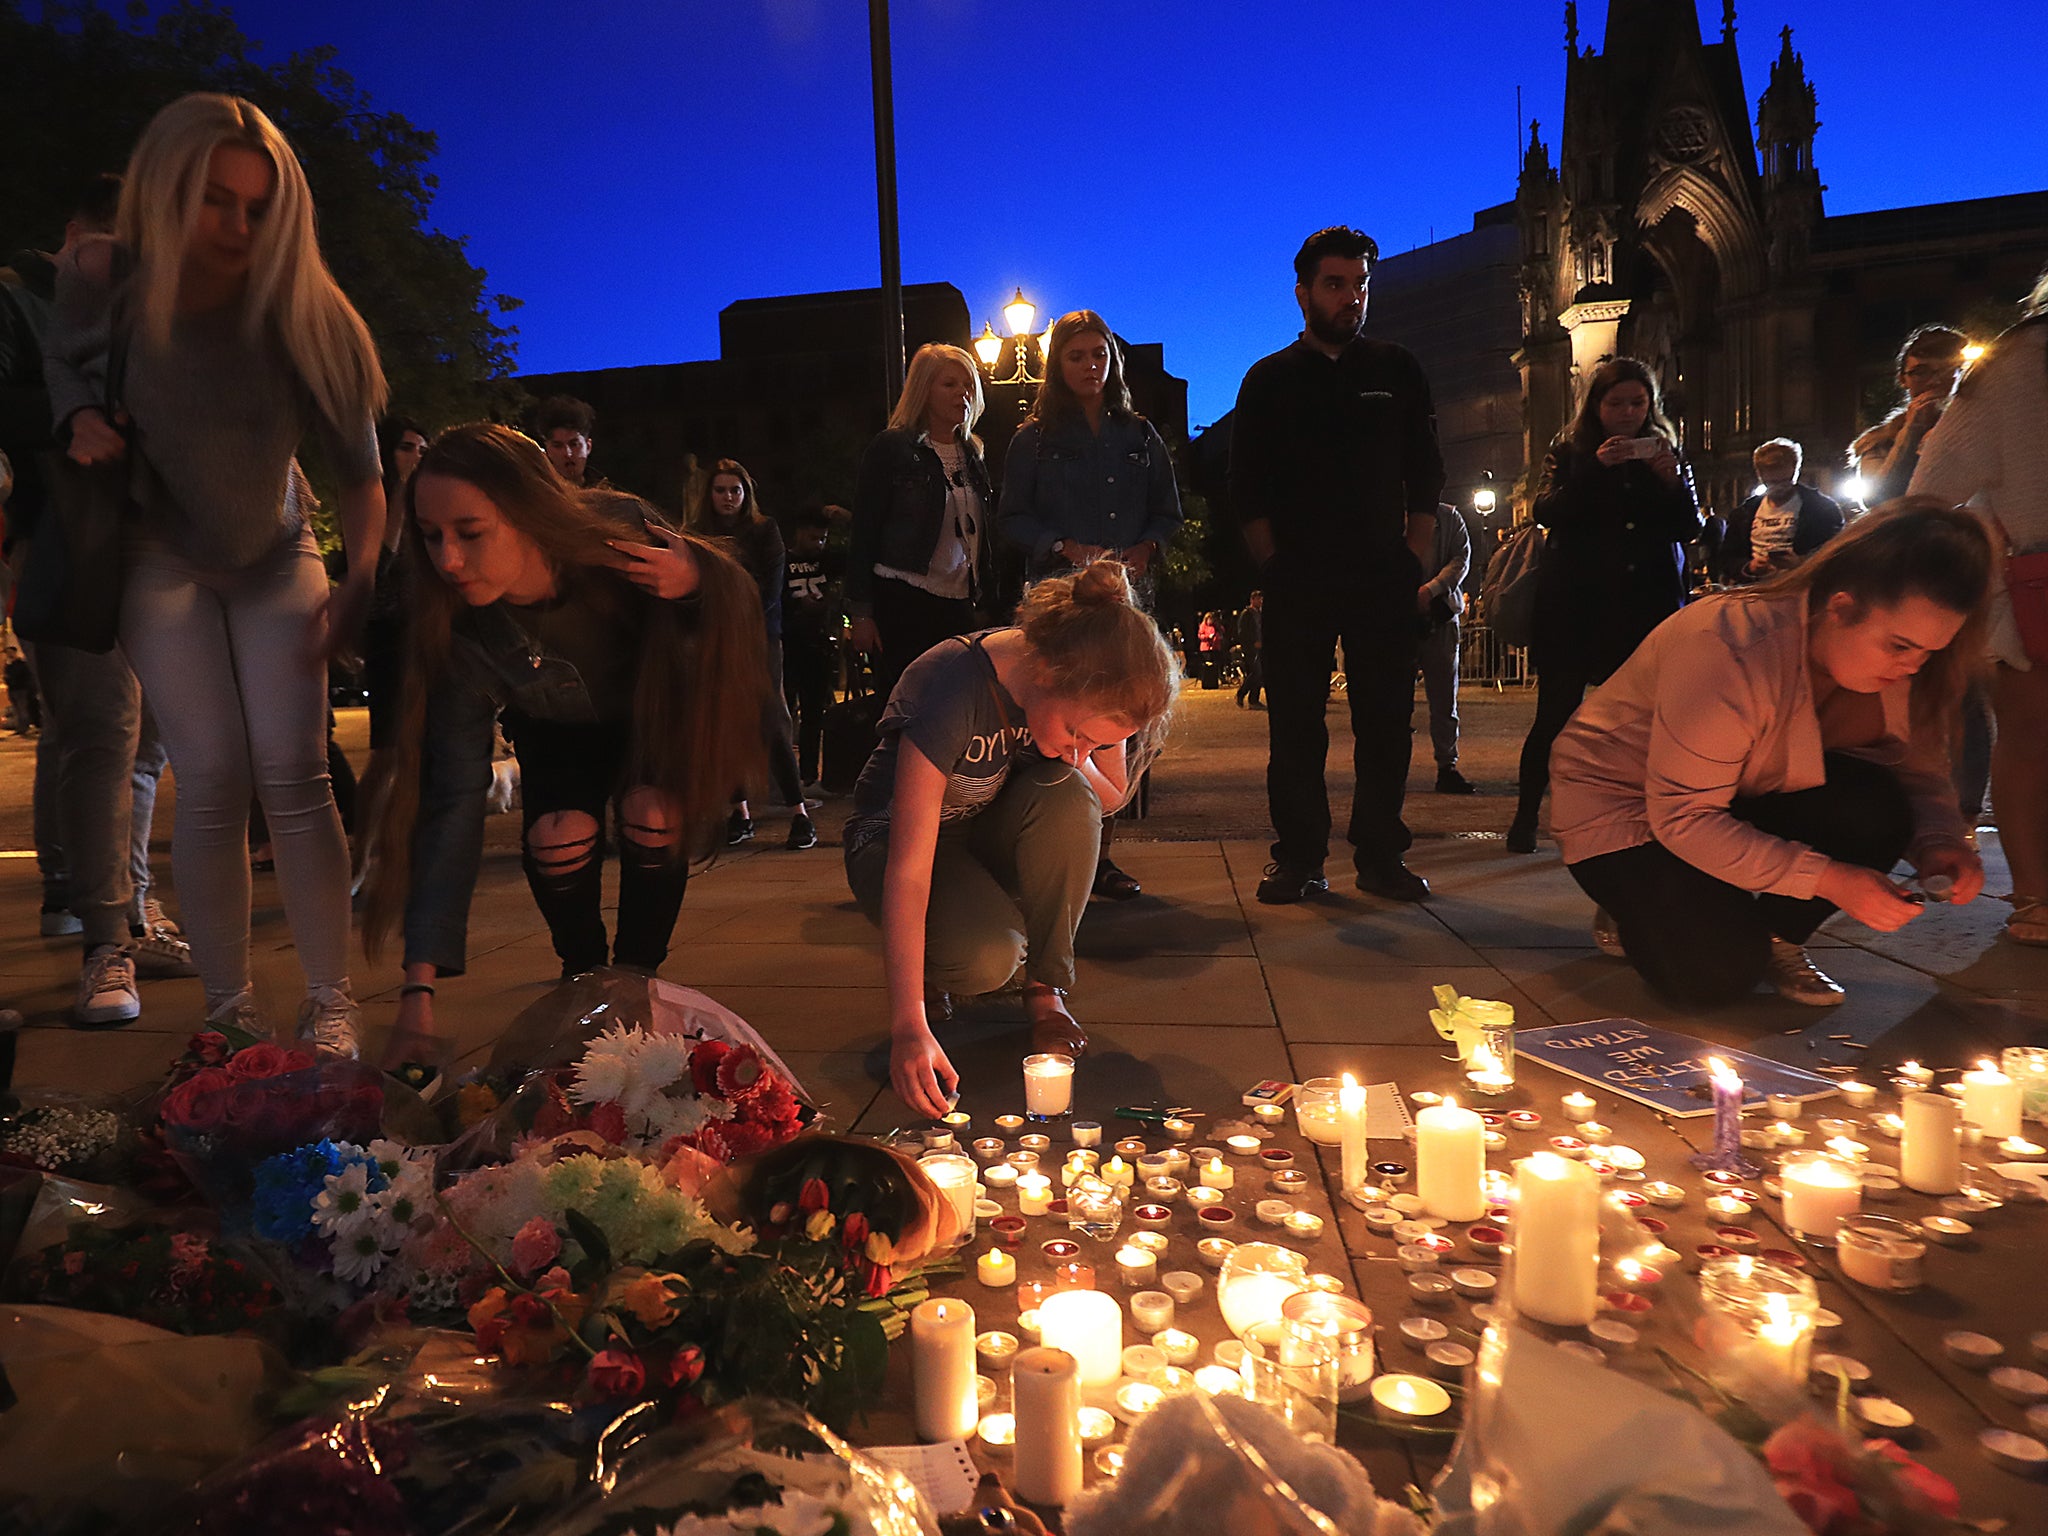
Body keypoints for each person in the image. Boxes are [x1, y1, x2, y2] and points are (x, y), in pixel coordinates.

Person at [45, 95, 386, 1053]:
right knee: (212, 775)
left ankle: (331, 1003)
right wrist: (77, 420)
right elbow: (63, 363)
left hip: (277, 548)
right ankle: (230, 1015)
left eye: (258, 206)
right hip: (160, 551)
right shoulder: (100, 277)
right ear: (163, 189)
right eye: (214, 200)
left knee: (295, 771)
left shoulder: (308, 315)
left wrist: (361, 580)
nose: (238, 225)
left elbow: (361, 476)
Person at [365, 424, 768, 1068]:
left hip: (650, 718)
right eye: (431, 535)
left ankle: (637, 980)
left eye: (470, 533)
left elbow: (737, 608)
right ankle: (582, 977)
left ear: (527, 513)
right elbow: (451, 801)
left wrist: (697, 578)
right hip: (553, 731)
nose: (447, 559)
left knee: (654, 814)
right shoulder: (462, 631)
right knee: (559, 835)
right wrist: (418, 993)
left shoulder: (615, 534)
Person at [1549, 500, 1990, 1006]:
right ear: (1841, 607)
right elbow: (1684, 815)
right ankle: (1641, 903)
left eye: (1930, 651)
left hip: (1742, 793)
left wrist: (1940, 843)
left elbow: (1915, 774)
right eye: (1900, 646)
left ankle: (1775, 937)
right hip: (1628, 807)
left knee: (1876, 807)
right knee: (1711, 976)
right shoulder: (1730, 646)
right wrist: (1829, 879)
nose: (1913, 667)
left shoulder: (1904, 667)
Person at [844, 561, 1178, 1118]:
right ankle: (939, 970)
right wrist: (908, 1026)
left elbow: (1110, 794)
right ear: (1047, 671)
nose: (1080, 754)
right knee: (985, 957)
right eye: (1076, 734)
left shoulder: (1083, 682)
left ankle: (1045, 992)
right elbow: (909, 867)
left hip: (981, 829)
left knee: (1070, 794)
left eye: (1095, 744)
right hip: (892, 844)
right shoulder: (953, 685)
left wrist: (1082, 752)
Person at [1230, 225, 1446, 904]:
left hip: (1381, 575)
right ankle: (1299, 856)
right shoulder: (1268, 380)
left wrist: (1409, 559)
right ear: (1302, 293)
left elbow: (1427, 475)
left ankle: (1381, 855)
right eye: (1335, 284)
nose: (1351, 297)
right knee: (1295, 722)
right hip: (1300, 577)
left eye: (1360, 285)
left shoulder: (1396, 369)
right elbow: (1247, 489)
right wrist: (1275, 566)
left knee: (1385, 720)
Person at [999, 308, 1184, 902]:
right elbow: (1011, 517)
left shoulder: (1139, 434)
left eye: (1099, 354)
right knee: (1055, 721)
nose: (1090, 366)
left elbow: (1168, 511)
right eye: (1077, 356)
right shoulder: (1034, 438)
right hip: (1060, 601)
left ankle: (1101, 855)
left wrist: (1146, 548)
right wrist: (1061, 545)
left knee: (1119, 721)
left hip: (1125, 597)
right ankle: (1043, 846)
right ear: (1057, 365)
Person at [1507, 357, 1701, 854]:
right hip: (1577, 604)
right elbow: (1546, 510)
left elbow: (1691, 527)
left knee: (1640, 722)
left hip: (1645, 605)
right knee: (1554, 714)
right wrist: (1596, 467)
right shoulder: (1571, 450)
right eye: (1616, 403)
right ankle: (1527, 813)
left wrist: (1671, 481)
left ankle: (1632, 818)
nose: (1628, 413)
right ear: (1596, 404)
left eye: (1638, 403)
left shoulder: (1667, 451)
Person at [1911, 270, 2048, 946]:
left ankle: (2034, 900)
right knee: (2027, 735)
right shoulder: (2016, 366)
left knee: (2029, 738)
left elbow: (1931, 488)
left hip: (2034, 568)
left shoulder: (2013, 364)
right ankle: (2032, 898)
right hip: (2034, 577)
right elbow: (1931, 486)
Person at [846, 344, 993, 703]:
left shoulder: (973, 454)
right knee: (906, 706)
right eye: (949, 384)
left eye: (968, 384)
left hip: (959, 599)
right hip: (903, 598)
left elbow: (982, 533)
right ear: (924, 390)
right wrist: (861, 614)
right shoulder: (893, 448)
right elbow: (863, 531)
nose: (963, 393)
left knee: (958, 708)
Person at [686, 458, 814, 850]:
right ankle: (739, 812)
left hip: (758, 636)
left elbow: (768, 590)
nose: (728, 497)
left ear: (747, 494)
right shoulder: (696, 534)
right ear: (709, 495)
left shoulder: (764, 530)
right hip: (713, 639)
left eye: (735, 490)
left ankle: (799, 813)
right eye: (721, 490)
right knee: (726, 723)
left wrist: (722, 596)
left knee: (771, 718)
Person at [350, 415, 430, 892]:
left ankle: (402, 856)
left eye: (423, 448)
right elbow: (378, 565)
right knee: (386, 754)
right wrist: (400, 492)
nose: (415, 456)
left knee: (420, 755)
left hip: (427, 637)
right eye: (407, 447)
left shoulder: (432, 504)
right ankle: (361, 855)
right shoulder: (377, 501)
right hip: (390, 637)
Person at [1853, 327, 1968, 507]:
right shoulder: (1879, 442)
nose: (1934, 381)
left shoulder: (1975, 427)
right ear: (1903, 379)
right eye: (1921, 372)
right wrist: (1911, 431)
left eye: (1947, 371)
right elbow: (1877, 500)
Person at [1718, 439, 1846, 585]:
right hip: (1756, 591)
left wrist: (1802, 563)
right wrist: (1749, 567)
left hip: (1800, 590)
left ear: (1795, 471)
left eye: (1786, 481)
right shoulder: (1744, 512)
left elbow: (1837, 553)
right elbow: (1727, 558)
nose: (1779, 488)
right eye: (1771, 483)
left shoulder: (1822, 508)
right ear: (1760, 475)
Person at [781, 503, 842, 791]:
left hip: (817, 647)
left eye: (823, 539)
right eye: (813, 538)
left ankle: (807, 777)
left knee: (814, 715)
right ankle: (782, 777)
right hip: (788, 646)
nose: (818, 544)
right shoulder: (782, 562)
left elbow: (860, 552)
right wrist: (796, 606)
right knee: (784, 711)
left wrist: (847, 518)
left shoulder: (827, 561)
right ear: (799, 534)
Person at [1419, 501, 1475, 794]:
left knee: (1444, 698)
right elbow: (1460, 560)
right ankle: (1445, 765)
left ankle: (1447, 764)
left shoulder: (1449, 517)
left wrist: (1430, 590)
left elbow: (1460, 561)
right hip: (1413, 614)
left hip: (1440, 615)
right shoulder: (1448, 517)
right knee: (1441, 697)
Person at [533, 395, 597, 488]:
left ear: (588, 446)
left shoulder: (607, 495)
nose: (568, 454)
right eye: (558, 446)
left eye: (574, 444)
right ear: (548, 450)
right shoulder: (539, 494)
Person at [1234, 590, 1265, 708]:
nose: (1260, 601)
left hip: (1260, 647)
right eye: (1258, 599)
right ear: (1252, 600)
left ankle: (1254, 699)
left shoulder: (1259, 614)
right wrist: (1253, 643)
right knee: (1255, 672)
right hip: (1250, 648)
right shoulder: (1246, 614)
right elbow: (1242, 632)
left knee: (1259, 673)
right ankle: (1241, 693)